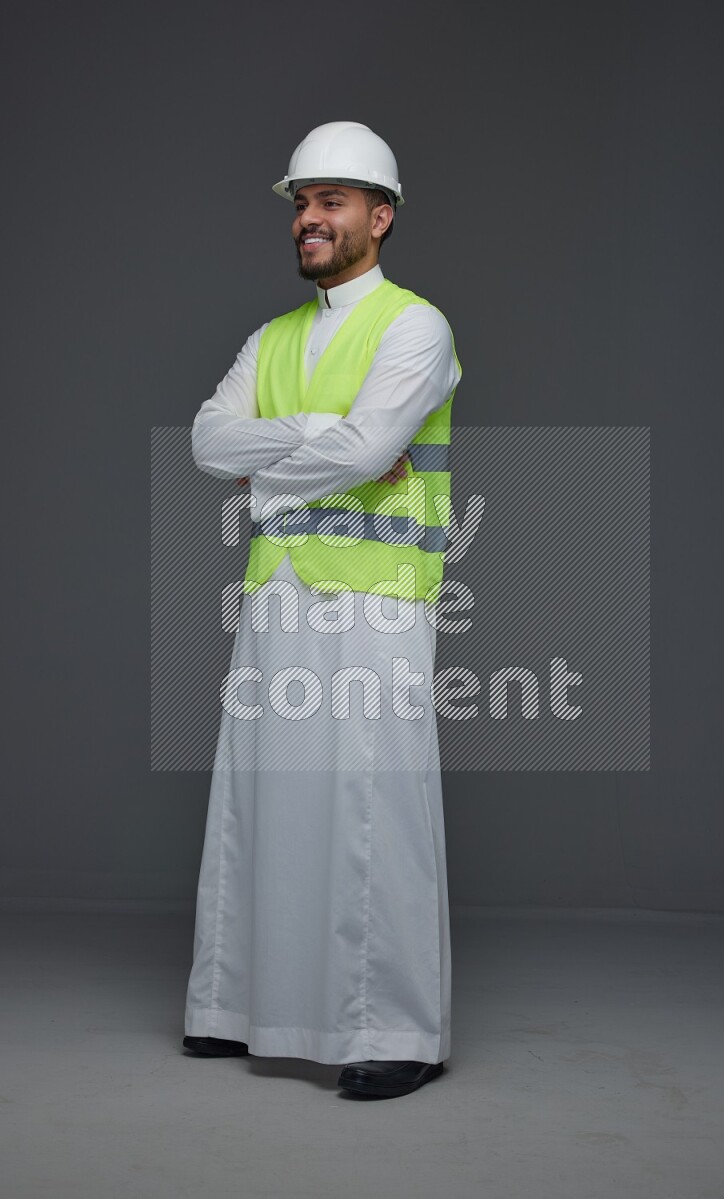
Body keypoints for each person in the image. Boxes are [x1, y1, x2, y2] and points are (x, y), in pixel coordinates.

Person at [182, 121, 462, 1100]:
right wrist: (311, 435)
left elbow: (368, 444)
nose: (308, 216)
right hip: (278, 591)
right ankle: (230, 1004)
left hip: (376, 599)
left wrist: (271, 478)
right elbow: (208, 442)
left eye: (331, 200)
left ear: (379, 217)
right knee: (259, 791)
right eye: (302, 201)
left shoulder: (414, 327)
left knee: (369, 806)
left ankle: (397, 1028)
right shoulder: (272, 338)